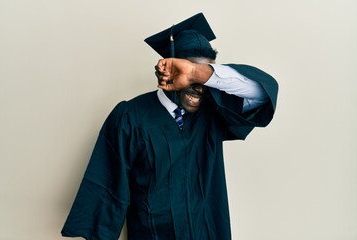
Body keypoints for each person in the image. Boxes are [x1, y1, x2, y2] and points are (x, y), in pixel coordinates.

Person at [61, 13, 278, 240]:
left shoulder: (214, 113)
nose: (199, 88)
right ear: (168, 70)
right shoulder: (130, 117)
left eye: (205, 79)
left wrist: (197, 73)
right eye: (190, 74)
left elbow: (262, 94)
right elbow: (108, 186)